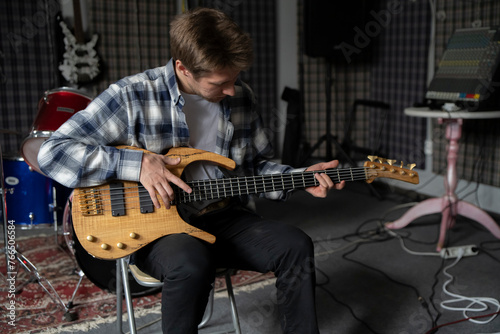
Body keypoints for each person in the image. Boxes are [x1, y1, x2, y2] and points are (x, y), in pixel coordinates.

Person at [38, 7, 345, 333]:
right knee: (191, 261)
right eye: (220, 82)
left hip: (224, 214)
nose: (231, 90)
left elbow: (254, 166)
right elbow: (52, 153)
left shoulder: (241, 96)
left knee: (295, 245)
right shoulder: (132, 95)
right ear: (183, 68)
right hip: (158, 227)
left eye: (235, 78)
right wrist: (137, 163)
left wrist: (299, 178)